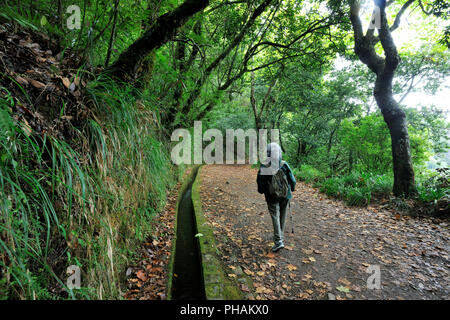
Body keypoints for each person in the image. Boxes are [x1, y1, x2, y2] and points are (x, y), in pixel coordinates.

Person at [257, 142, 296, 252]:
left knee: (275, 215)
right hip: (285, 194)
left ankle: (278, 240)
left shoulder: (264, 166)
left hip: (271, 196)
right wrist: (291, 189)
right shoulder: (284, 164)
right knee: (282, 215)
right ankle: (280, 237)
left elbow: (260, 183)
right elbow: (292, 180)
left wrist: (262, 191)